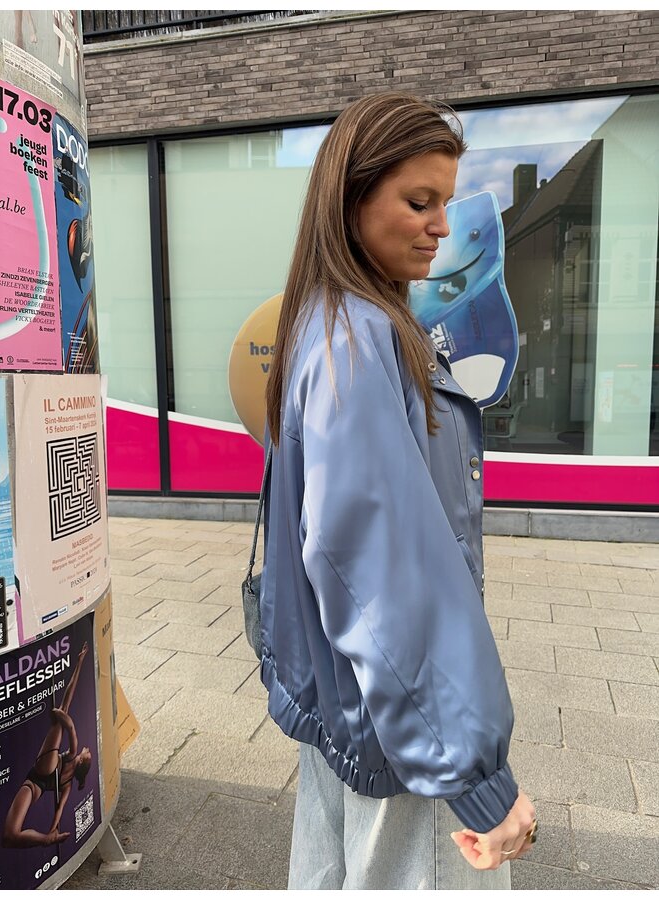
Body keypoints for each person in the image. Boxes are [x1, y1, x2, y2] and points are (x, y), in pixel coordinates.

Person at [259, 91, 537, 891]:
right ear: (351, 201)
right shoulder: (359, 338)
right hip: (396, 717)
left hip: (349, 698)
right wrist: (481, 780)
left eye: (446, 203)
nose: (442, 227)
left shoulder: (326, 321)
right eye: (420, 202)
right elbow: (381, 574)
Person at [2, 642, 92, 849]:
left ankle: (47, 838)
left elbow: (70, 725)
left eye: (87, 753)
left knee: (63, 709)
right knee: (11, 835)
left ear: (80, 760)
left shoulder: (72, 754)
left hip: (38, 775)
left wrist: (79, 663)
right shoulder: (68, 784)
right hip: (38, 786)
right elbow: (59, 809)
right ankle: (46, 839)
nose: (86, 749)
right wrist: (53, 830)